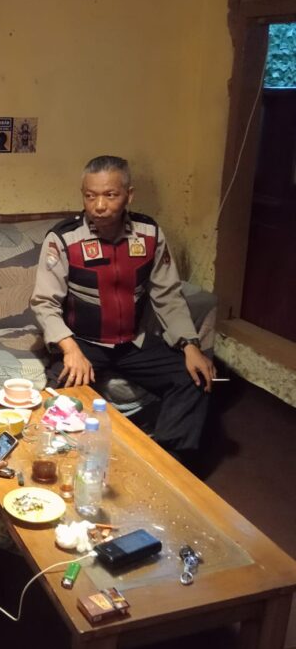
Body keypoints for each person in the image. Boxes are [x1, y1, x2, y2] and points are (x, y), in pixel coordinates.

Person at [30, 155, 215, 465]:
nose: (99, 205)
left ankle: (169, 464)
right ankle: (62, 465)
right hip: (84, 342)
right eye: (90, 196)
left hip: (134, 342)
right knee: (58, 399)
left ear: (129, 195)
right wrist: (69, 349)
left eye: (110, 195)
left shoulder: (149, 233)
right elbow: (44, 302)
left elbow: (168, 295)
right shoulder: (63, 238)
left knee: (193, 377)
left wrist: (190, 344)